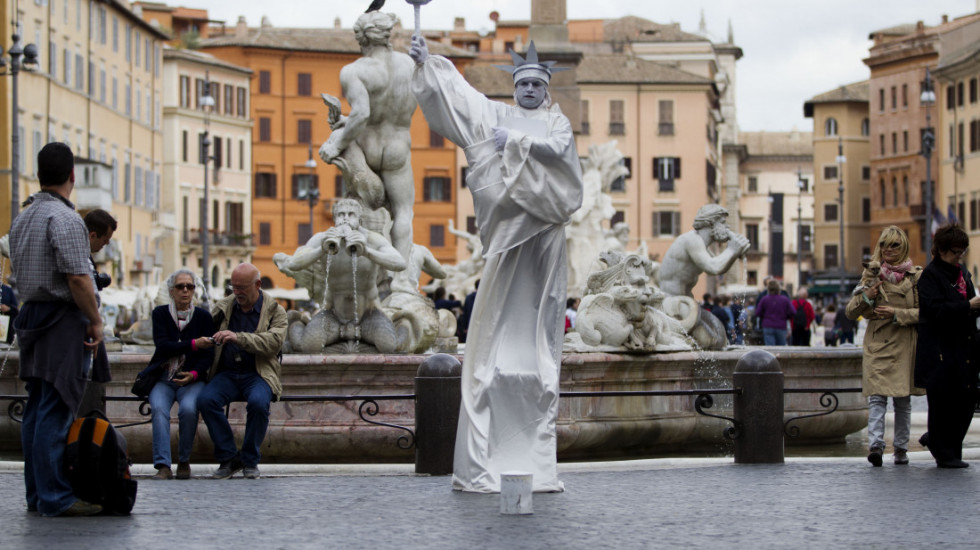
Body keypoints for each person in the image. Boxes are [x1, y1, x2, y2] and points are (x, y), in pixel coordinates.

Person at [411, 37, 584, 492]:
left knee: (539, 307)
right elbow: (461, 101)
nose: (528, 89)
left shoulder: (556, 122)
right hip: (508, 232)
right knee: (497, 314)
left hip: (543, 227)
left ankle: (533, 459)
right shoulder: (496, 115)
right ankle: (486, 456)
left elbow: (562, 153)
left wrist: (519, 140)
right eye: (522, 82)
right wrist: (428, 63)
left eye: (535, 84)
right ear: (515, 87)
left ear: (545, 89)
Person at [10, 142, 105, 516]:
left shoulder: (24, 217)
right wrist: (96, 320)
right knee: (56, 407)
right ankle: (54, 497)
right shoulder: (65, 220)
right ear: (72, 176)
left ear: (38, 175)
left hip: (31, 316)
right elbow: (78, 279)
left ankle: (37, 494)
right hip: (60, 322)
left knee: (36, 408)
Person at [318, 10, 416, 265]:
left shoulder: (354, 71)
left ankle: (358, 271)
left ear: (361, 39)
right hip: (398, 147)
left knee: (359, 209)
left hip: (367, 147)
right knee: (403, 213)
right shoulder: (410, 65)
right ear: (387, 36)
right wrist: (347, 121)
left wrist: (337, 142)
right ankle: (400, 282)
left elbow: (362, 115)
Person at [274, 198, 407, 353]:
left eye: (351, 215)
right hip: (333, 315)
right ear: (335, 219)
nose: (345, 218)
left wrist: (367, 251)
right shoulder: (322, 238)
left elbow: (400, 263)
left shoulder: (372, 239)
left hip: (367, 314)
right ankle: (298, 322)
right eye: (341, 214)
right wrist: (322, 249)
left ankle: (402, 324)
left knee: (389, 346)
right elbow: (294, 264)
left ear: (359, 220)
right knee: (308, 346)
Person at [197, 263, 287, 479]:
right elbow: (203, 329)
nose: (236, 292)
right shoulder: (224, 306)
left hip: (258, 373)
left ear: (257, 285)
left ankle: (249, 460)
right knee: (206, 401)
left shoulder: (276, 311)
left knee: (258, 403)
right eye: (234, 286)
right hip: (227, 373)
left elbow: (274, 343)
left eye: (242, 287)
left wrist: (238, 337)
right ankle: (229, 457)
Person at [845, 226, 923, 466]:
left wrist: (897, 313)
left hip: (904, 343)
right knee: (877, 399)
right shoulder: (871, 273)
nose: (888, 250)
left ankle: (900, 449)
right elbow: (851, 312)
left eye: (894, 245)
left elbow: (926, 313)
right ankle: (876, 446)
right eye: (884, 245)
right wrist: (867, 294)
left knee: (902, 400)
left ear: (904, 248)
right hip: (878, 343)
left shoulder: (916, 276)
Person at [138, 269, 215, 480]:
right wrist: (193, 344)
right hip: (164, 378)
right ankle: (163, 465)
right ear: (171, 291)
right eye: (180, 287)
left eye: (189, 287)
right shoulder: (160, 314)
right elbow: (163, 347)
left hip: (191, 379)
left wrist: (194, 374)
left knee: (189, 410)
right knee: (159, 410)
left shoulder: (203, 317)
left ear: (194, 291)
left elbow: (208, 355)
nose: (185, 291)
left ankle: (183, 461)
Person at [914, 224, 980, 468]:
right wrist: (968, 307)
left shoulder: (962, 273)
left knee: (967, 400)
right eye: (955, 251)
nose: (959, 255)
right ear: (940, 250)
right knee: (943, 403)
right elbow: (933, 310)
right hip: (940, 350)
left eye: (963, 250)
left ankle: (943, 444)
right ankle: (945, 453)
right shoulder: (931, 276)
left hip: (965, 348)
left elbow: (969, 304)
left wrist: (974, 307)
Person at [754, 279, 795, 346]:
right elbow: (793, 312)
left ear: (768, 289)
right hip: (781, 326)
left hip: (768, 326)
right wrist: (786, 317)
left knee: (770, 349)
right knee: (781, 348)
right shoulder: (784, 299)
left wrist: (764, 316)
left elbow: (757, 312)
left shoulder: (764, 299)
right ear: (779, 289)